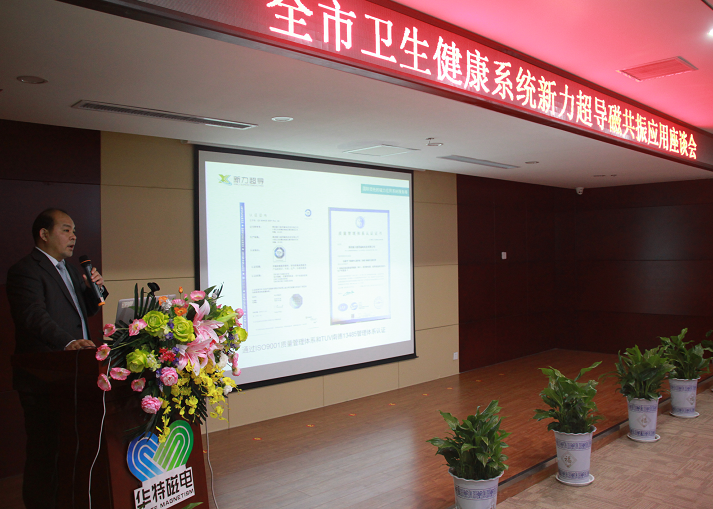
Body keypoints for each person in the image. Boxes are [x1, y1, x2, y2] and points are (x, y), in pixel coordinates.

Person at [6, 208, 109, 509]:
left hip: (74, 375)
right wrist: (68, 343)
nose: (74, 236)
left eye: (74, 230)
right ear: (44, 234)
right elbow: (32, 316)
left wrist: (95, 289)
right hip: (43, 377)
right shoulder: (25, 270)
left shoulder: (70, 271)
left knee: (71, 448)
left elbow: (85, 312)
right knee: (45, 451)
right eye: (66, 229)